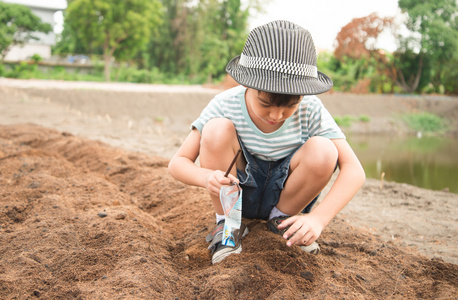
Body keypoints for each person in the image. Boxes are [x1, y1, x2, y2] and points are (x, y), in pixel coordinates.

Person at [168, 20, 365, 264]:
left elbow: (355, 171)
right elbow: (177, 163)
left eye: (290, 105)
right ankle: (228, 225)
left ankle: (282, 222)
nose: (276, 116)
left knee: (325, 150)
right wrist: (205, 177)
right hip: (235, 194)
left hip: (288, 197)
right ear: (247, 83)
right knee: (216, 129)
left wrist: (318, 219)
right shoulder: (225, 104)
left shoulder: (311, 109)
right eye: (265, 103)